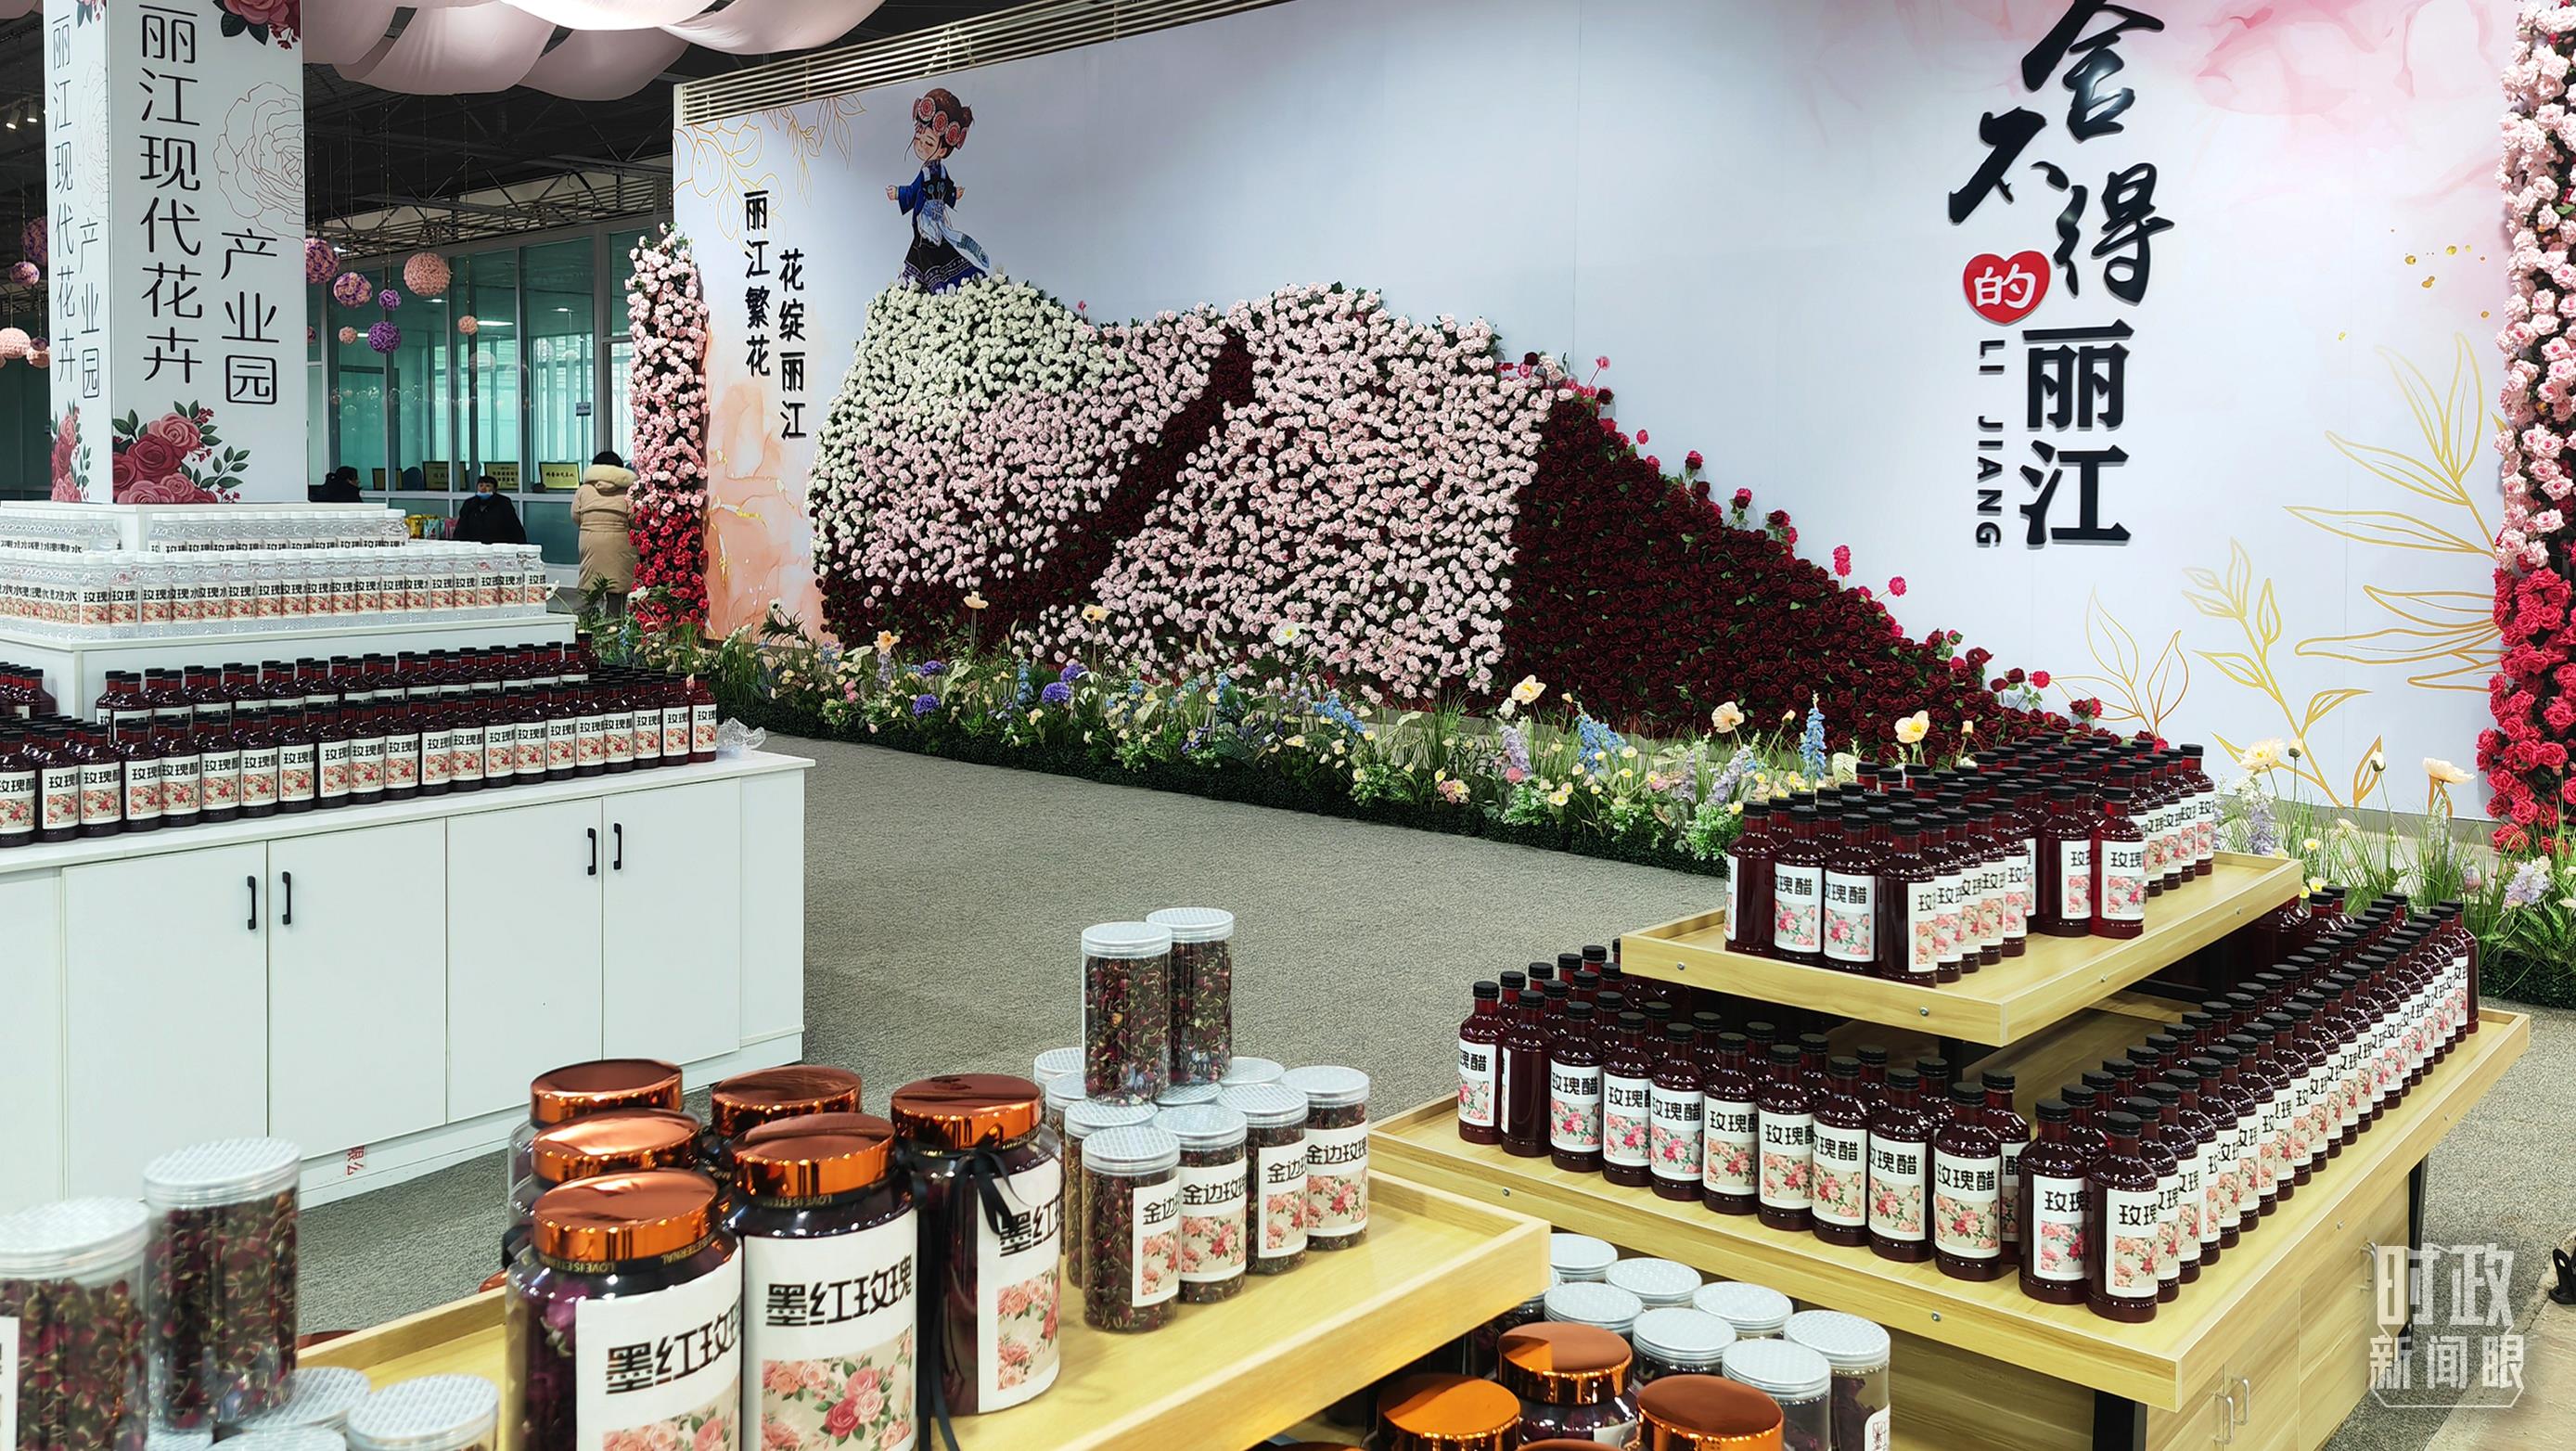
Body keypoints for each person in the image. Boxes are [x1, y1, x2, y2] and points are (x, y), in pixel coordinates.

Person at [886, 87, 991, 291]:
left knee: (929, 250)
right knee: (926, 248)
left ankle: (932, 286)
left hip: (931, 220)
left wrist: (952, 194)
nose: (921, 146)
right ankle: (913, 285)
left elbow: (918, 190)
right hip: (927, 220)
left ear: (942, 149)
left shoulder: (934, 172)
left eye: (928, 142)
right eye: (919, 139)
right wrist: (899, 193)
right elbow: (916, 190)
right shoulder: (930, 171)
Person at [574, 448, 638, 612]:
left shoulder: (584, 489)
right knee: (617, 589)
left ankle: (583, 624)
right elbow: (635, 520)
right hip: (620, 543)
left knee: (589, 586)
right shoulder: (628, 491)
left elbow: (575, 516)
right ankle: (613, 625)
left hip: (590, 540)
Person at [454, 474, 526, 545]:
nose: (483, 489)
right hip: (475, 546)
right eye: (481, 485)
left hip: (498, 546)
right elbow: (461, 528)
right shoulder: (469, 504)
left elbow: (514, 527)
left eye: (488, 486)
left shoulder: (503, 503)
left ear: (495, 489)